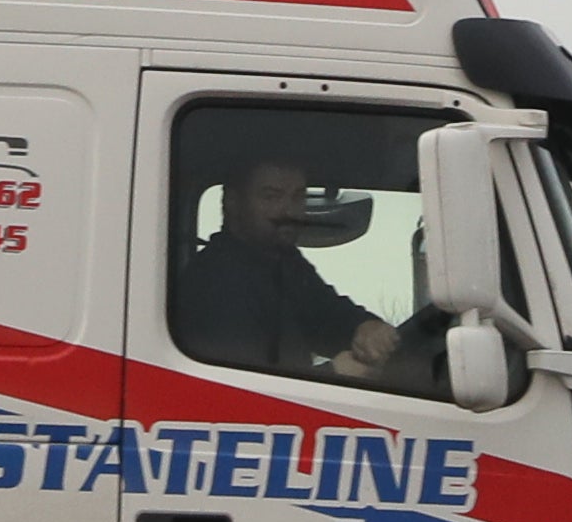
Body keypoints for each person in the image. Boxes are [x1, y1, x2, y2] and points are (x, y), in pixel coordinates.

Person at [172, 156, 413, 387]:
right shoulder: (216, 282)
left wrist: (364, 328)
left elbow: (325, 315)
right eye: (271, 197)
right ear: (233, 202)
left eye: (298, 197)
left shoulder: (282, 261)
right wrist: (334, 375)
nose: (288, 211)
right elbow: (243, 392)